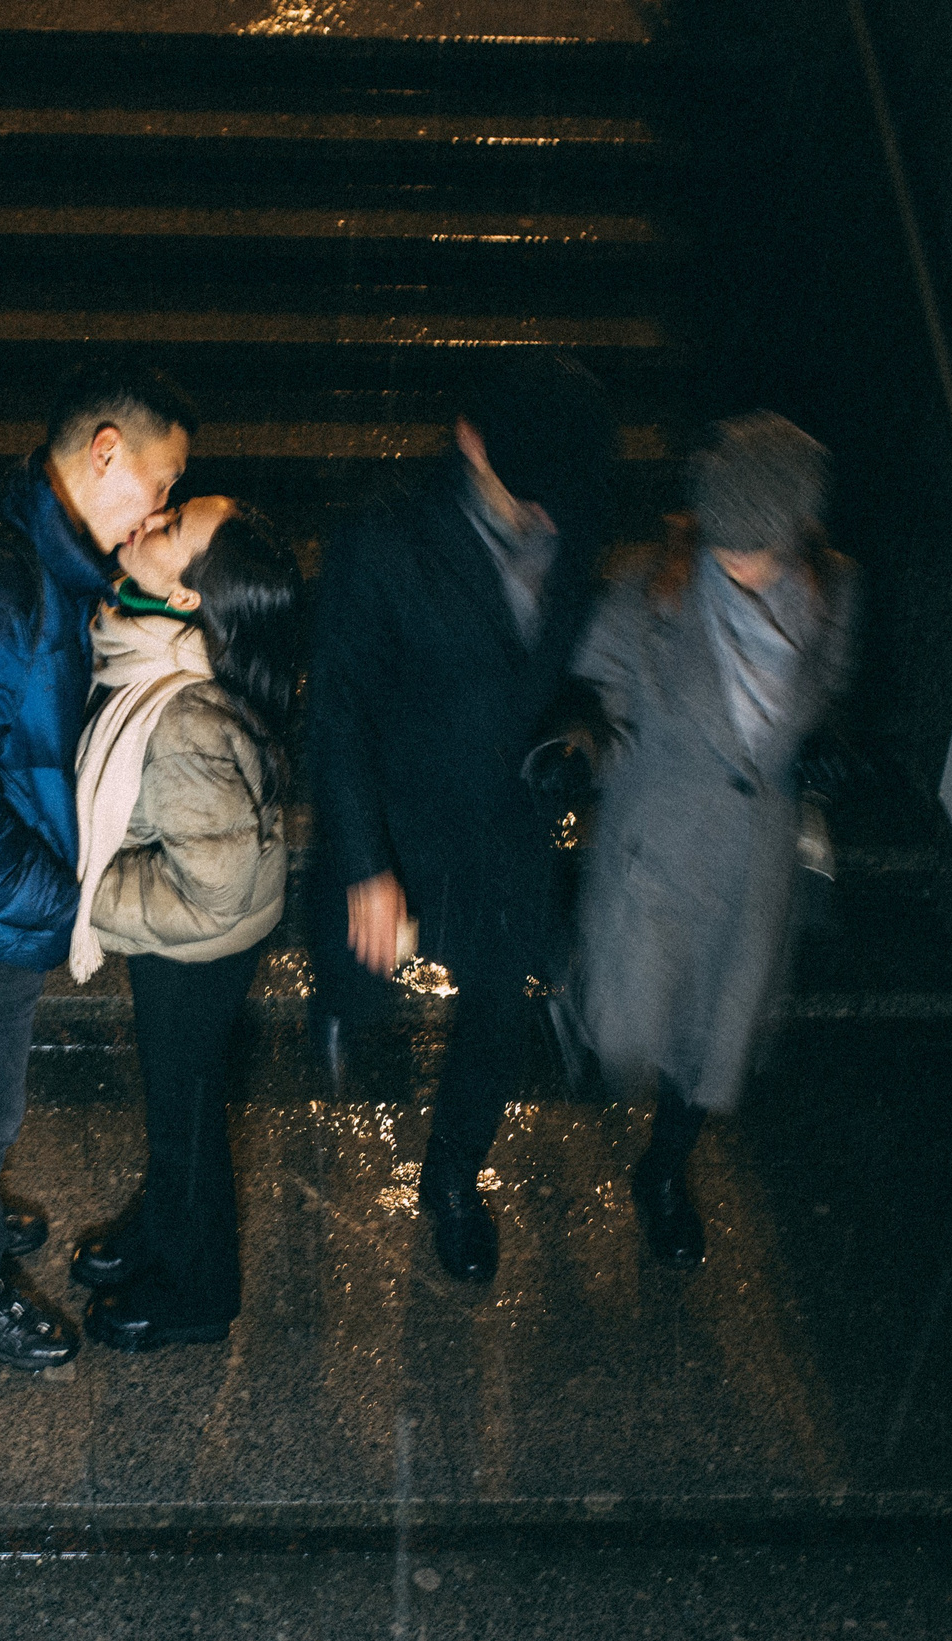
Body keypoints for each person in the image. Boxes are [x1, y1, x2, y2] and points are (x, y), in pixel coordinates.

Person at [0, 361, 197, 1368]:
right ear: (107, 453)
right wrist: (58, 900)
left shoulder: (28, 550)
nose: (162, 510)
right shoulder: (3, 580)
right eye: (161, 483)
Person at [305, 352, 616, 1284]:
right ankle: (339, 1015)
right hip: (399, 821)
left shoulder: (570, 515)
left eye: (560, 501)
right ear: (472, 443)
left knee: (497, 1015)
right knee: (360, 973)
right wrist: (365, 864)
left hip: (508, 826)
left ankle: (452, 1179)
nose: (547, 518)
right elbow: (339, 712)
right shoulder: (382, 539)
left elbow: (571, 674)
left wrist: (578, 732)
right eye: (528, 493)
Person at [572, 412, 860, 1269]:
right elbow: (596, 693)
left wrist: (823, 745)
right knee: (625, 1030)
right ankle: (575, 991)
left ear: (798, 532)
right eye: (726, 541)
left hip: (750, 859)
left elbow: (826, 691)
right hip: (657, 841)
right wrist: (579, 743)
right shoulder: (650, 588)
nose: (738, 562)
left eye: (759, 547)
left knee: (710, 1043)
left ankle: (663, 1174)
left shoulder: (835, 592)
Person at [58, 496, 302, 1350]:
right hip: (192, 936)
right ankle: (162, 1227)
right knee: (176, 1107)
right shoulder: (161, 648)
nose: (147, 520)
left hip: (200, 946)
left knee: (186, 1121)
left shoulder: (186, 715)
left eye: (168, 529)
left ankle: (199, 1292)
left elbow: (210, 894)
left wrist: (86, 895)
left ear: (191, 595)